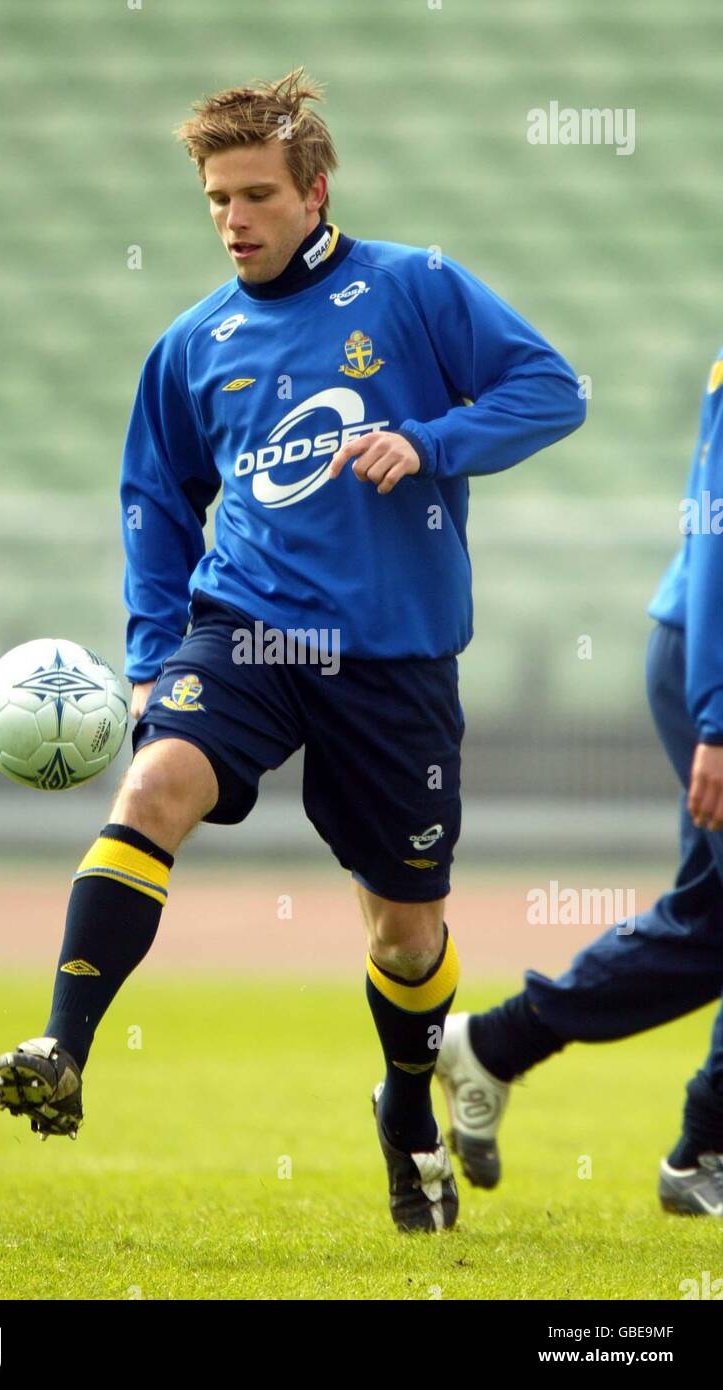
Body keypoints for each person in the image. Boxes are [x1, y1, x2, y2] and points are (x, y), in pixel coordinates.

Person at [0, 67, 585, 1233]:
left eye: (257, 194)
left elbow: (551, 390)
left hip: (395, 660)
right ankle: (61, 1046)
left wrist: (429, 440)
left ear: (316, 191)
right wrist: (159, 652)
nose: (234, 220)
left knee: (406, 936)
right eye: (217, 198)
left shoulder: (412, 289)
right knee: (154, 782)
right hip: (247, 632)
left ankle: (408, 1107)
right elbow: (155, 500)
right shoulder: (193, 344)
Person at [437, 346, 723, 1218]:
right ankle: (701, 1142)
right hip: (711, 663)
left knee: (713, 915)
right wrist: (716, 712)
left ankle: (498, 1048)